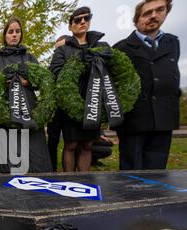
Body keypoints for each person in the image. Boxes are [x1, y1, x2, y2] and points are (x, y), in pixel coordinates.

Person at [113, 0, 180, 170]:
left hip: (164, 116)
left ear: (166, 13)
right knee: (132, 171)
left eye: (159, 11)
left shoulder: (172, 43)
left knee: (157, 169)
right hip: (134, 120)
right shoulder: (121, 48)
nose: (153, 16)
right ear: (136, 19)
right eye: (147, 13)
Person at [0, 16, 52, 174]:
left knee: (33, 153)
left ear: (21, 34)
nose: (14, 34)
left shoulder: (30, 58)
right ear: (5, 35)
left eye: (17, 31)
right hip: (5, 114)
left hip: (29, 111)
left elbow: (42, 82)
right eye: (10, 31)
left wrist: (26, 83)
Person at [50, 7, 110, 172]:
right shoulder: (63, 50)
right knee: (71, 144)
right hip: (70, 104)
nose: (82, 22)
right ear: (70, 26)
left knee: (87, 145)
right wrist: (79, 62)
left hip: (94, 102)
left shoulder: (101, 47)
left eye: (86, 18)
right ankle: (69, 179)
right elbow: (54, 72)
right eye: (77, 20)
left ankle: (84, 178)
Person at [47, 35, 69, 172]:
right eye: (56, 50)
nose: (59, 52)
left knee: (71, 143)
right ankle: (52, 169)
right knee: (52, 141)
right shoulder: (52, 67)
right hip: (55, 108)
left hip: (71, 108)